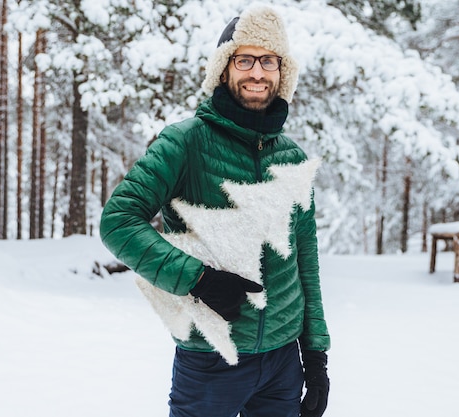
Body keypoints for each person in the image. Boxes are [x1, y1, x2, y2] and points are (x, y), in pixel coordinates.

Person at [100, 5, 330, 417]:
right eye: (244, 60)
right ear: (224, 70)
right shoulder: (184, 142)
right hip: (211, 356)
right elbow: (119, 221)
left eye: (268, 61)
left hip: (283, 361)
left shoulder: (294, 159)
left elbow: (305, 263)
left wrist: (315, 356)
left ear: (282, 73)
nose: (256, 72)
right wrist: (197, 279)